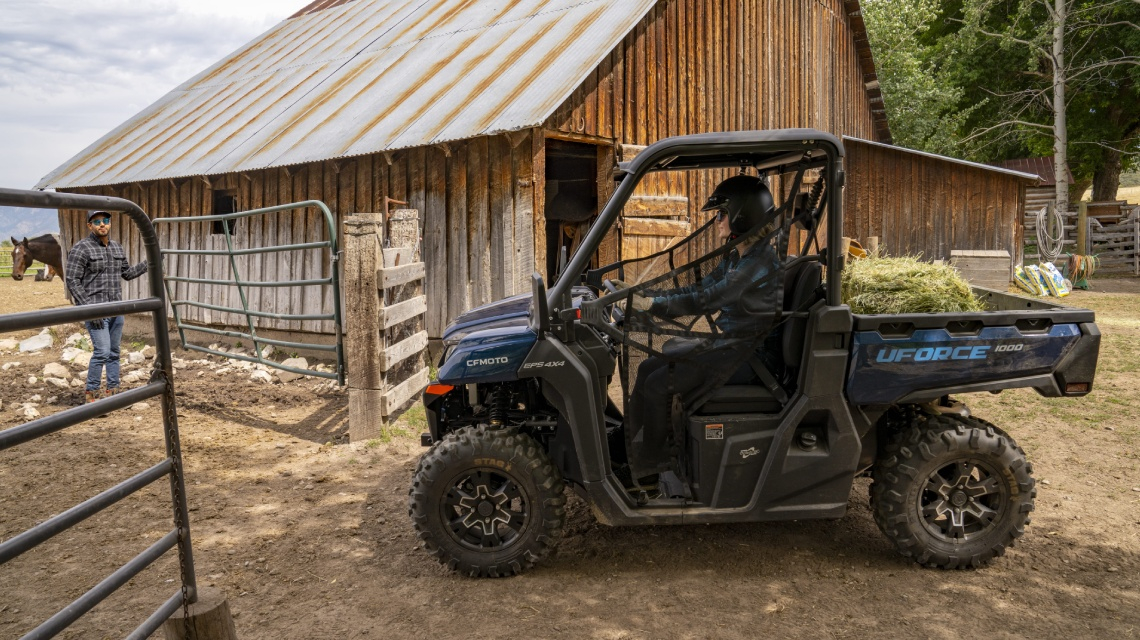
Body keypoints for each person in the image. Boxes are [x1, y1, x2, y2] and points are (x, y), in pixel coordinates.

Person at [617, 174, 782, 480]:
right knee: (648, 368)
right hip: (731, 345)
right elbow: (698, 287)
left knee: (658, 384)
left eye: (722, 214)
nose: (717, 221)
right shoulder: (738, 255)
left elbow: (710, 298)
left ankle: (651, 470)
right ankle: (630, 451)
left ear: (742, 216)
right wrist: (644, 295)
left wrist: (651, 306)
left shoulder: (758, 264)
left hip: (748, 356)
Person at [65, 210, 149, 404]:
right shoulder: (81, 248)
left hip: (116, 309)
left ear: (110, 223)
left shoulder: (116, 247)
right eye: (97, 222)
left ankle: (113, 394)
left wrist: (149, 263)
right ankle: (92, 396)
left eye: (105, 220)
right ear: (90, 225)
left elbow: (127, 273)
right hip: (96, 309)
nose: (102, 224)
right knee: (102, 352)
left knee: (114, 353)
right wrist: (89, 310)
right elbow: (72, 280)